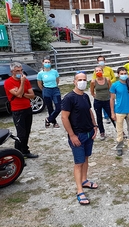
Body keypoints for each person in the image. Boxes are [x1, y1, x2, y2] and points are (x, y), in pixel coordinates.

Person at [61, 72, 98, 206]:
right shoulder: (69, 98)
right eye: (79, 79)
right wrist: (72, 135)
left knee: (86, 158)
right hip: (77, 135)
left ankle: (84, 180)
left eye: (84, 80)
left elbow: (89, 111)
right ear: (74, 81)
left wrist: (94, 125)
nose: (82, 82)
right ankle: (79, 190)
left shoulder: (86, 96)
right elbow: (64, 117)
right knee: (78, 163)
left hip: (88, 133)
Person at [4, 62, 38, 159]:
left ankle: (25, 151)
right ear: (12, 72)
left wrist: (22, 93)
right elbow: (18, 95)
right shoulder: (9, 82)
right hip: (17, 110)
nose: (20, 72)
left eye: (21, 70)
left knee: (27, 131)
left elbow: (32, 95)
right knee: (21, 134)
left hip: (27, 108)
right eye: (17, 71)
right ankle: (18, 155)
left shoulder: (26, 81)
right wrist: (22, 84)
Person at [110, 67, 129, 156]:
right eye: (121, 74)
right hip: (119, 111)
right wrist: (112, 112)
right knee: (119, 131)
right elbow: (112, 99)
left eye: (125, 73)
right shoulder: (115, 85)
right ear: (118, 75)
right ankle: (119, 147)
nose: (123, 75)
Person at [90, 66, 116, 140]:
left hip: (107, 100)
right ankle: (102, 132)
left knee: (112, 115)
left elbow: (111, 90)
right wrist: (96, 97)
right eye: (97, 71)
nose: (98, 72)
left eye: (100, 70)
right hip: (98, 101)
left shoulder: (107, 79)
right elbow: (92, 92)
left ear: (103, 71)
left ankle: (119, 130)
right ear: (95, 72)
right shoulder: (93, 81)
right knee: (99, 117)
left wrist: (112, 98)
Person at [37, 58, 61, 129]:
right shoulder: (40, 73)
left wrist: (54, 86)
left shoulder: (54, 72)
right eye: (45, 62)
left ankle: (48, 119)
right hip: (47, 90)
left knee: (58, 107)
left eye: (48, 62)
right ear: (43, 63)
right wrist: (44, 89)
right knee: (50, 107)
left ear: (50, 63)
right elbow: (39, 83)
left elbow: (57, 80)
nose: (47, 63)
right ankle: (54, 122)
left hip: (55, 90)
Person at [92, 55, 116, 123]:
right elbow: (94, 79)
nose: (101, 62)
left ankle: (113, 114)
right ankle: (106, 116)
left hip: (109, 87)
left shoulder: (109, 69)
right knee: (103, 101)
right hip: (101, 88)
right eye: (99, 60)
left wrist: (108, 82)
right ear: (97, 62)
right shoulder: (96, 71)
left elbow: (114, 78)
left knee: (111, 101)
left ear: (104, 61)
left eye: (102, 60)